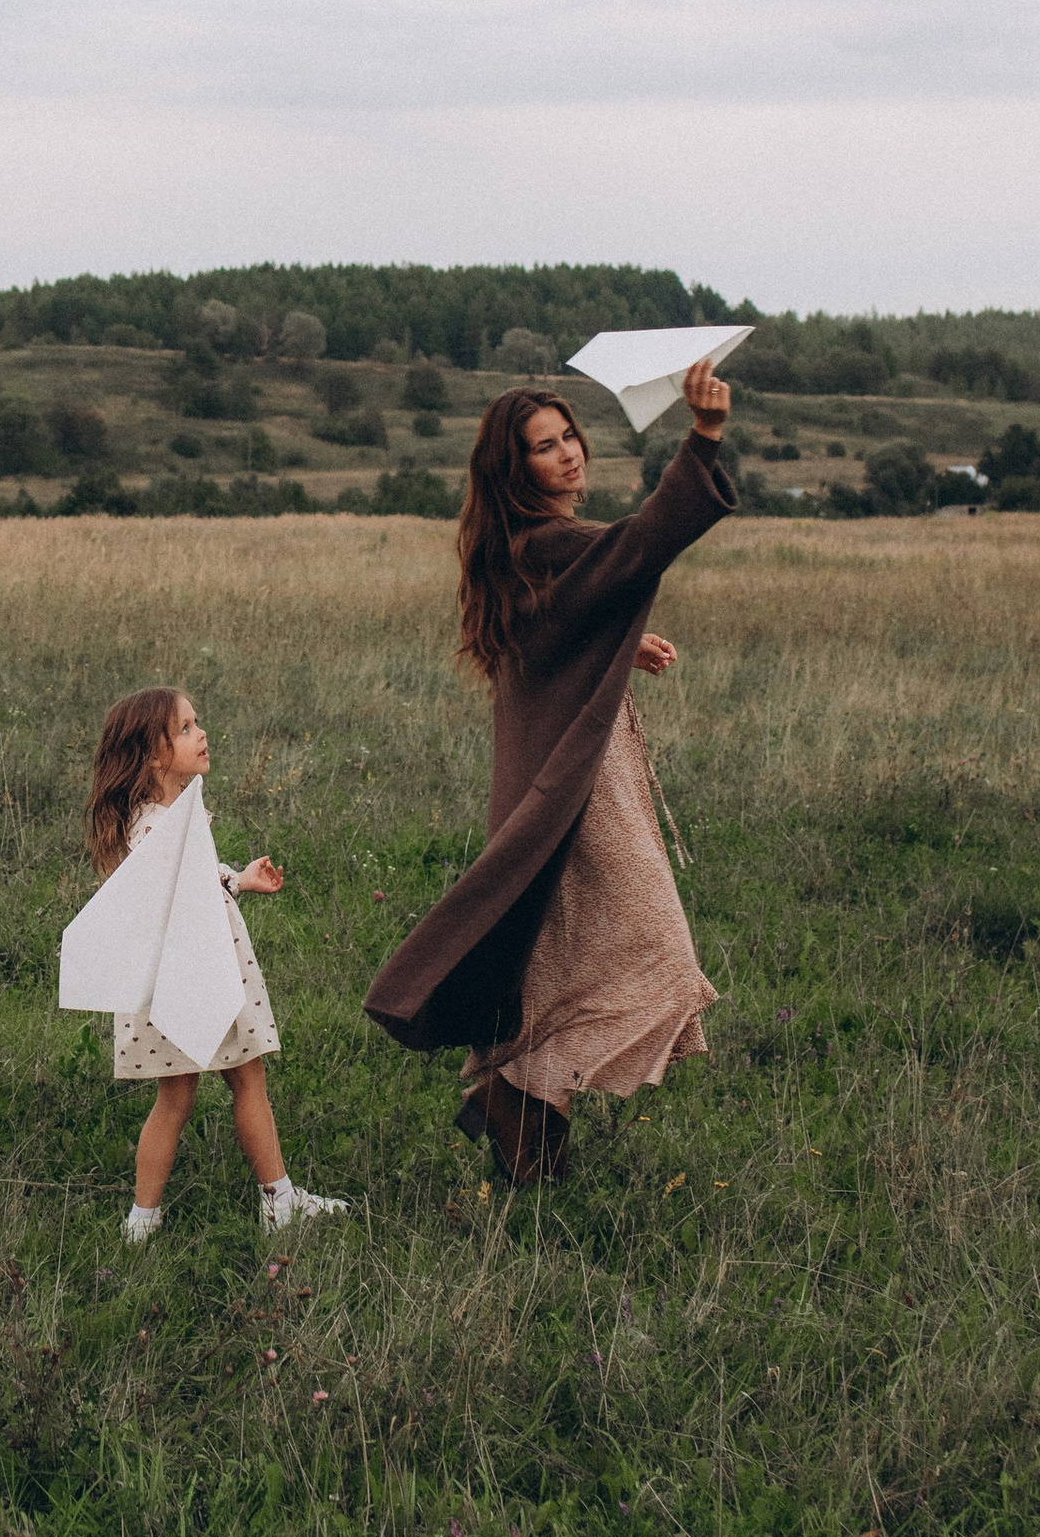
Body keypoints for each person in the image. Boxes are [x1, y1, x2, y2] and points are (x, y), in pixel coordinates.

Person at [362, 364, 737, 1184]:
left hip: (565, 780)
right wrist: (702, 438)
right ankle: (513, 1095)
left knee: (560, 959)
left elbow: (551, 633)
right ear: (514, 469)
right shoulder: (546, 542)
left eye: (569, 437)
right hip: (580, 788)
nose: (567, 455)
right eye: (544, 447)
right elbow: (636, 548)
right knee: (658, 956)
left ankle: (529, 1133)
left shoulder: (515, 548)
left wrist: (613, 645)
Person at [89, 686, 346, 1246]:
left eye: (196, 723)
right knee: (243, 1079)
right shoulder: (159, 825)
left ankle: (146, 1220)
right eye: (184, 729)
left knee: (180, 1095)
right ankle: (276, 1200)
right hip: (195, 975)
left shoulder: (161, 817)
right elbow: (176, 894)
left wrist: (239, 879)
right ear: (153, 756)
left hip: (173, 978)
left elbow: (193, 884)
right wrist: (222, 882)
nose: (201, 733)